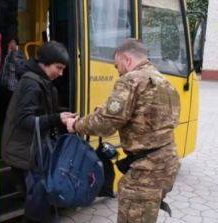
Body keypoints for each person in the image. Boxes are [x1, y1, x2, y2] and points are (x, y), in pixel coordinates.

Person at [66, 38, 181, 223]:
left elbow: (106, 123)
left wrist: (75, 125)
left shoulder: (131, 79)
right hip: (166, 163)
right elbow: (148, 118)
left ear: (126, 59)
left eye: (117, 65)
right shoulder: (163, 81)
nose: (118, 71)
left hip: (146, 170)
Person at [1, 41, 76, 222]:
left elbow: (42, 114)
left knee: (37, 202)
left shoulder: (40, 80)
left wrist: (61, 117)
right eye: (58, 67)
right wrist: (57, 119)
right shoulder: (31, 84)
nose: (61, 73)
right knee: (37, 203)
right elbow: (25, 120)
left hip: (30, 150)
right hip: (25, 152)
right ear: (44, 63)